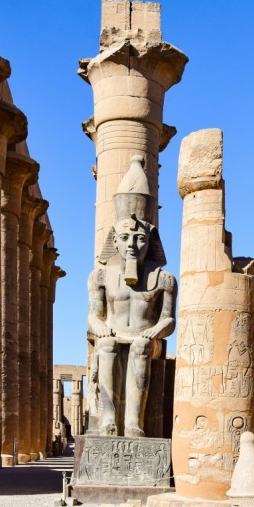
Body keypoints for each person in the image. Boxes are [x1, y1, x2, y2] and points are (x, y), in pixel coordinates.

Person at [87, 156, 176, 437]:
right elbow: (93, 315)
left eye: (139, 239)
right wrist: (100, 327)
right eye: (125, 238)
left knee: (139, 348)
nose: (132, 245)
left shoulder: (163, 278)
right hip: (114, 333)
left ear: (151, 240)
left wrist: (153, 332)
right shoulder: (100, 275)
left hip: (145, 337)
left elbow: (168, 320)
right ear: (115, 239)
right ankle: (109, 419)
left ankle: (134, 422)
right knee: (107, 346)